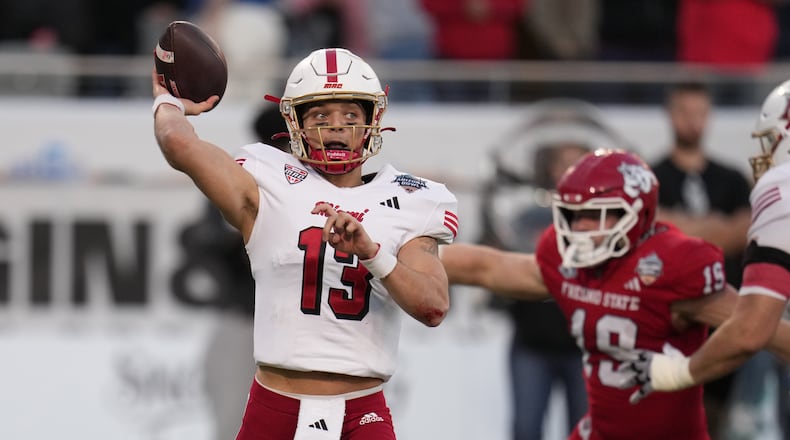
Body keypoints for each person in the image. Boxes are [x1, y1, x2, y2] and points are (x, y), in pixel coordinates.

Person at [151, 47, 459, 439]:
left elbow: (432, 306)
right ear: (295, 123)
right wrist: (168, 101)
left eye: (350, 115)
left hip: (361, 409)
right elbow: (179, 146)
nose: (336, 126)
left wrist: (373, 254)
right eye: (320, 116)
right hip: (275, 402)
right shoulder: (267, 178)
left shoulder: (413, 199)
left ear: (372, 120)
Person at [441, 148, 790, 439]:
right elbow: (488, 267)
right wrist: (407, 255)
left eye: (595, 216)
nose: (580, 229)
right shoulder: (570, 261)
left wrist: (683, 371)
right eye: (574, 216)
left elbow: (758, 329)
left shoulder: (671, 266)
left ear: (637, 215)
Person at [616, 79, 790, 408]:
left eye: (773, 139)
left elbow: (752, 329)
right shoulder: (653, 176)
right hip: (680, 327)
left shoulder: (764, 191)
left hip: (731, 324)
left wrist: (679, 373)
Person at [650, 80, 755, 437]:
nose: (693, 122)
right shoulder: (651, 178)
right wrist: (716, 226)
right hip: (668, 325)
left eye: (700, 113)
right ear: (670, 115)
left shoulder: (732, 179)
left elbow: (744, 231)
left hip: (729, 322)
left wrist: (683, 226)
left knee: (723, 421)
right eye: (685, 112)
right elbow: (654, 231)